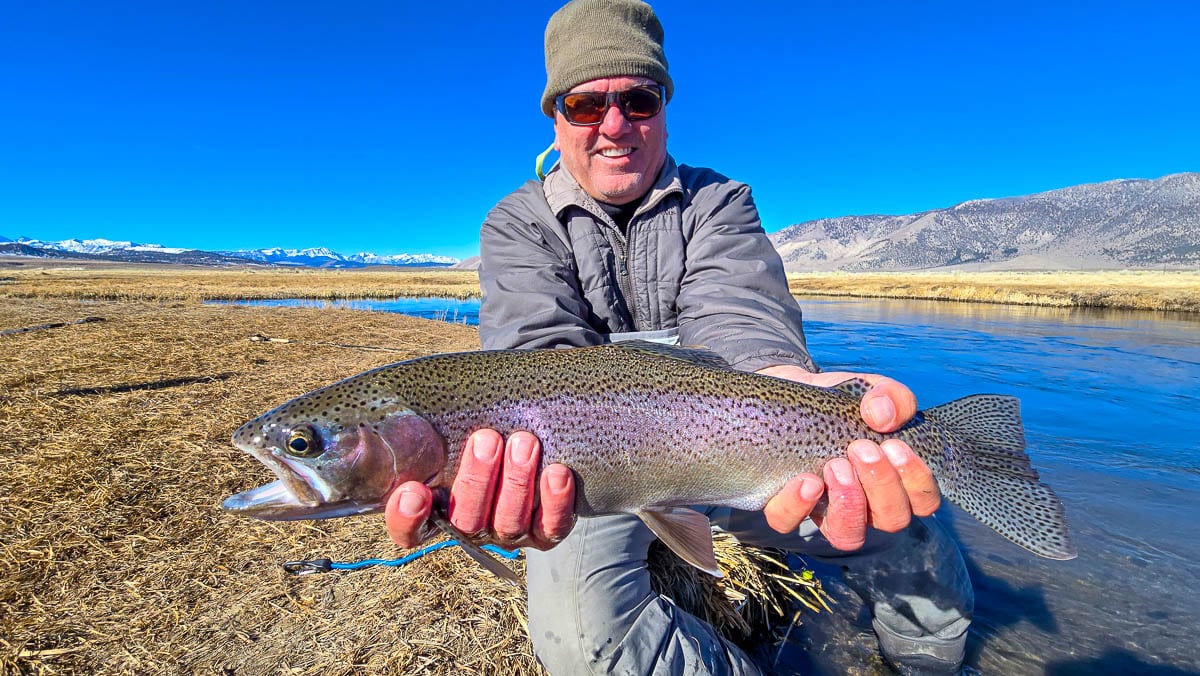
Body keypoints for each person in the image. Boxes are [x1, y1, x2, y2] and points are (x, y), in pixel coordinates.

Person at [385, 1, 973, 673]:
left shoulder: (719, 201)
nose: (614, 127)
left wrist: (783, 382)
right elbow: (533, 362)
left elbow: (739, 314)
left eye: (638, 100)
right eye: (585, 105)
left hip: (736, 449)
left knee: (902, 520)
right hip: (582, 474)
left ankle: (928, 662)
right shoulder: (518, 223)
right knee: (581, 642)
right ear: (555, 115)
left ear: (664, 105)